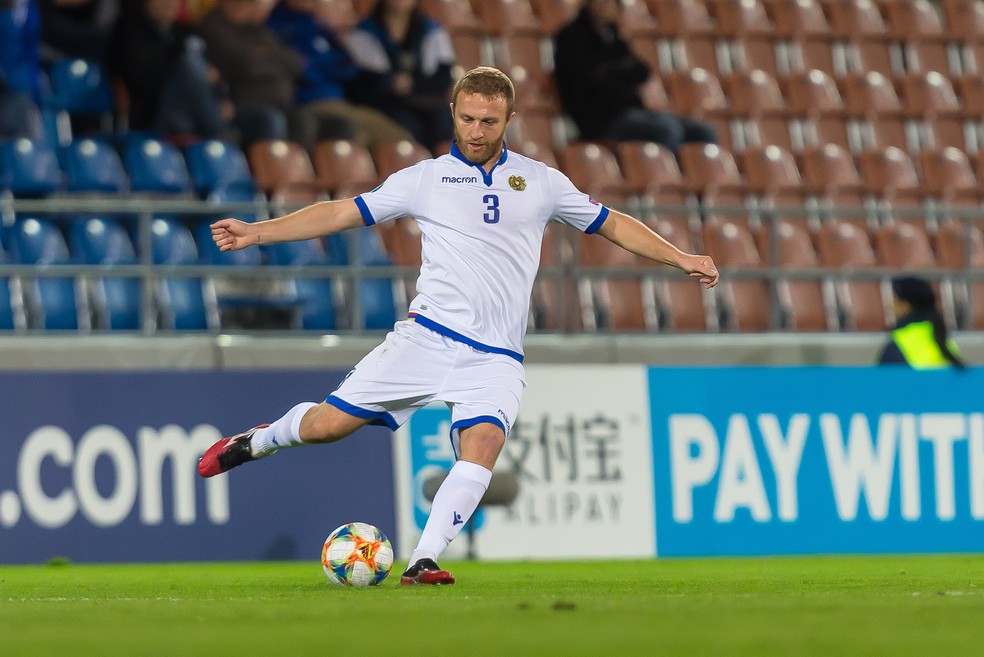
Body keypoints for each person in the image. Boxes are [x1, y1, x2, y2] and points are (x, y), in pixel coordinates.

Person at [198, 66, 719, 585]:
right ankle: (258, 441)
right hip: (426, 339)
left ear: (509, 119)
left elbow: (613, 225)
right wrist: (257, 232)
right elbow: (341, 214)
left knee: (483, 443)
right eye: (467, 118)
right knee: (325, 428)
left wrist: (680, 257)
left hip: (496, 357)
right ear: (452, 112)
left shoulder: (541, 181)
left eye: (488, 122)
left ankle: (423, 559)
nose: (475, 131)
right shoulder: (423, 179)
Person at [553, 0, 716, 155]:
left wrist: (611, 71)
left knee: (703, 131)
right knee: (667, 129)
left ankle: (691, 179)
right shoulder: (571, 36)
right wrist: (620, 71)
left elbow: (641, 71)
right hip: (601, 120)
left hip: (631, 111)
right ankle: (666, 179)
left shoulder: (614, 36)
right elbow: (589, 80)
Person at [265, 0, 411, 149]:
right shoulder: (282, 25)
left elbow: (348, 69)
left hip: (341, 101)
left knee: (402, 139)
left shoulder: (321, 29)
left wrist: (328, 63)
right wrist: (329, 67)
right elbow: (304, 70)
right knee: (360, 135)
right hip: (312, 101)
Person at [110, 0, 230, 143]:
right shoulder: (128, 30)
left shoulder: (185, 32)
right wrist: (179, 62)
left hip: (192, 111)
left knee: (259, 118)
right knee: (189, 64)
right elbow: (142, 79)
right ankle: (214, 128)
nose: (169, 3)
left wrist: (222, 97)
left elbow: (214, 74)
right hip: (153, 112)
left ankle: (212, 125)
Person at [345, 0, 456, 152]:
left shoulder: (431, 30)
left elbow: (443, 77)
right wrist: (390, 83)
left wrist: (413, 84)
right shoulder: (365, 33)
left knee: (445, 123)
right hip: (384, 106)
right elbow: (363, 84)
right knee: (411, 131)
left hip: (426, 102)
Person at [197, 0, 302, 145]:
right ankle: (268, 167)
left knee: (304, 120)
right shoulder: (214, 25)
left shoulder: (253, 28)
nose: (243, 9)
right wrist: (269, 59)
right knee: (272, 119)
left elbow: (295, 62)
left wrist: (263, 56)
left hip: (280, 104)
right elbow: (246, 65)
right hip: (239, 103)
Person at [877, 276, 965, 369]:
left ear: (905, 305)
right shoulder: (946, 340)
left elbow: (882, 381)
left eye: (895, 300)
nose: (891, 306)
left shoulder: (899, 342)